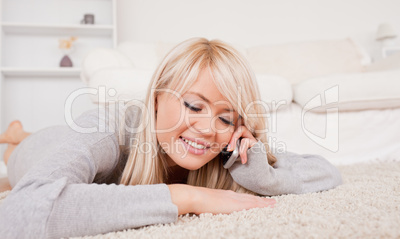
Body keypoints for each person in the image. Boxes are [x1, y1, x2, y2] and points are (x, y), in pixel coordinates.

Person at [0, 37, 342, 238]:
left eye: (225, 117)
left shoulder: (225, 147)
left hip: (71, 143)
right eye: (194, 106)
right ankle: (16, 137)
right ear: (157, 98)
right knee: (17, 154)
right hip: (40, 150)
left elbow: (327, 172)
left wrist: (256, 169)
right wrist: (182, 196)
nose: (209, 128)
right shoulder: (107, 129)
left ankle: (17, 132)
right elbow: (17, 212)